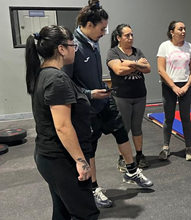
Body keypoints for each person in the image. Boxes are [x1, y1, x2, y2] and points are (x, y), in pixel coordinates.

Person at [63, 0, 153, 209]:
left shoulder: (92, 41)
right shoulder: (72, 45)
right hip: (87, 105)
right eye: (102, 29)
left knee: (121, 132)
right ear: (89, 24)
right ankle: (94, 188)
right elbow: (67, 83)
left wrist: (101, 87)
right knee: (91, 148)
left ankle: (131, 171)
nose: (105, 33)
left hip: (104, 99)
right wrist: (89, 93)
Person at [25, 25, 99, 220]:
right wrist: (81, 161)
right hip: (60, 159)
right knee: (86, 214)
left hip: (51, 156)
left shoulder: (46, 73)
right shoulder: (56, 78)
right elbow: (63, 126)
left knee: (63, 212)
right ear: (61, 48)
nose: (75, 48)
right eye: (73, 45)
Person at [106, 24, 151, 168]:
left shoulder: (137, 51)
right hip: (122, 97)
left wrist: (130, 63)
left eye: (132, 35)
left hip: (139, 95)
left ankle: (139, 155)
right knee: (123, 128)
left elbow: (148, 69)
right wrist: (138, 64)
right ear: (119, 38)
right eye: (127, 35)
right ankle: (122, 157)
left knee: (137, 127)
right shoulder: (113, 53)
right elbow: (119, 70)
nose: (130, 38)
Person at [156, 20, 191, 161]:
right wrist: (173, 86)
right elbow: (161, 69)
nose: (183, 31)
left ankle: (188, 148)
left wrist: (186, 86)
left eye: (184, 29)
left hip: (185, 86)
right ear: (172, 32)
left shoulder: (189, 46)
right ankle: (165, 147)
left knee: (186, 117)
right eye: (180, 29)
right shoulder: (164, 46)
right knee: (169, 118)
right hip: (169, 86)